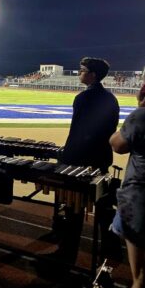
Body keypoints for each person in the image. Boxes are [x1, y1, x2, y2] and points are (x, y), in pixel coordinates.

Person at [52, 57, 120, 264]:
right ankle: (110, 252)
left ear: (93, 75)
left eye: (82, 70)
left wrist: (65, 159)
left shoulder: (82, 98)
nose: (79, 73)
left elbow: (78, 133)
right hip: (101, 161)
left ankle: (67, 254)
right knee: (104, 209)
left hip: (79, 163)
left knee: (74, 211)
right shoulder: (111, 99)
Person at [109, 59, 145, 288]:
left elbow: (117, 144)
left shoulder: (143, 116)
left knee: (142, 276)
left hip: (142, 204)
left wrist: (139, 109)